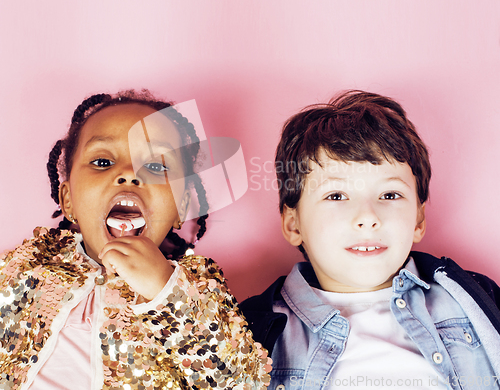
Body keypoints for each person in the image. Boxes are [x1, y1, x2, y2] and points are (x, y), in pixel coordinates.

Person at [0, 90, 271, 390]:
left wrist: (165, 290)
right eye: (102, 162)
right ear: (68, 201)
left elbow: (241, 380)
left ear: (181, 208)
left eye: (156, 166)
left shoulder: (197, 287)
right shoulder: (30, 263)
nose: (129, 175)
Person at [240, 90, 500, 390]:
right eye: (336, 195)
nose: (367, 216)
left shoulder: (474, 299)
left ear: (418, 219)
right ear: (292, 224)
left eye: (390, 195)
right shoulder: (254, 330)